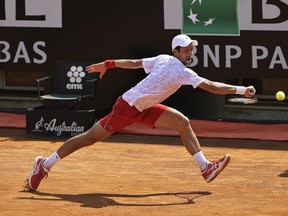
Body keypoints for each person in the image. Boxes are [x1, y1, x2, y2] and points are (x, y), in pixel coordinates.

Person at [26, 34, 256, 191]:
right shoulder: (179, 70)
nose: (189, 53)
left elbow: (135, 63)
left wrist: (109, 64)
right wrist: (241, 89)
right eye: (185, 50)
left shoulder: (166, 60)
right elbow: (211, 86)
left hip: (144, 107)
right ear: (175, 51)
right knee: (88, 138)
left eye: (191, 50)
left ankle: (205, 168)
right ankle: (44, 164)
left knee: (182, 123)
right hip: (127, 107)